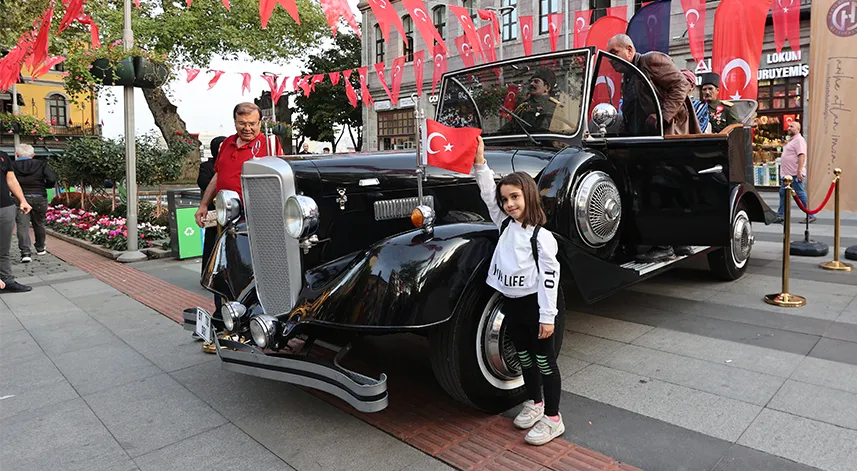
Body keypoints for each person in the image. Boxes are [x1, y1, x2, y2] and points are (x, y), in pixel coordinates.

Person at [472, 137, 565, 446]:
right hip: (511, 306)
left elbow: (550, 278)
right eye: (505, 199)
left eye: (515, 197)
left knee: (544, 362)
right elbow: (488, 194)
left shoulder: (542, 237)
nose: (509, 204)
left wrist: (547, 317)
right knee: (524, 358)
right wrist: (480, 162)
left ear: (529, 195)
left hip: (535, 308)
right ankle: (534, 402)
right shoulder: (504, 225)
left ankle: (553, 417)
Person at [606, 34, 700, 136]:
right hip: (641, 138)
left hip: (664, 136)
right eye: (608, 56)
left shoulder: (650, 60)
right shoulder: (628, 76)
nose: (610, 59)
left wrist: (662, 116)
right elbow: (630, 112)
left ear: (629, 50)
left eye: (614, 53)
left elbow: (681, 84)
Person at [194, 103, 269, 229]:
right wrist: (204, 205)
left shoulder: (268, 145)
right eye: (242, 123)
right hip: (225, 213)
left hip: (254, 217)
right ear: (235, 123)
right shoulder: (227, 142)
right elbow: (218, 175)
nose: (247, 128)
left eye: (252, 123)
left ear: (259, 123)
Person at [197, 136, 227, 316]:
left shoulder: (231, 161)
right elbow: (203, 182)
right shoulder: (207, 166)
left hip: (229, 210)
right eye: (220, 147)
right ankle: (207, 274)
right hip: (214, 211)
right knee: (211, 243)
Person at [12, 144, 56, 263]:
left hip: (20, 198)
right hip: (39, 196)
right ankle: (40, 248)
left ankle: (25, 253)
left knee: (22, 225)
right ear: (33, 155)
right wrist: (46, 186)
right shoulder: (41, 164)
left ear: (16, 155)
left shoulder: (12, 166)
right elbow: (52, 178)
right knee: (39, 223)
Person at [0, 150, 33, 293]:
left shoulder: (3, 156)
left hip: (5, 207)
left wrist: (22, 200)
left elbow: (11, 180)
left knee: (3, 249)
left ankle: (7, 280)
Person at [776, 120, 814, 224]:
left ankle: (810, 214)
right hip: (787, 175)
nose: (789, 128)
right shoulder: (792, 140)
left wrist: (799, 171)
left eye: (792, 126)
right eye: (788, 126)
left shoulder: (799, 140)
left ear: (798, 129)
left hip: (793, 174)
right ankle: (781, 214)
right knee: (783, 193)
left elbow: (801, 155)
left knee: (800, 193)